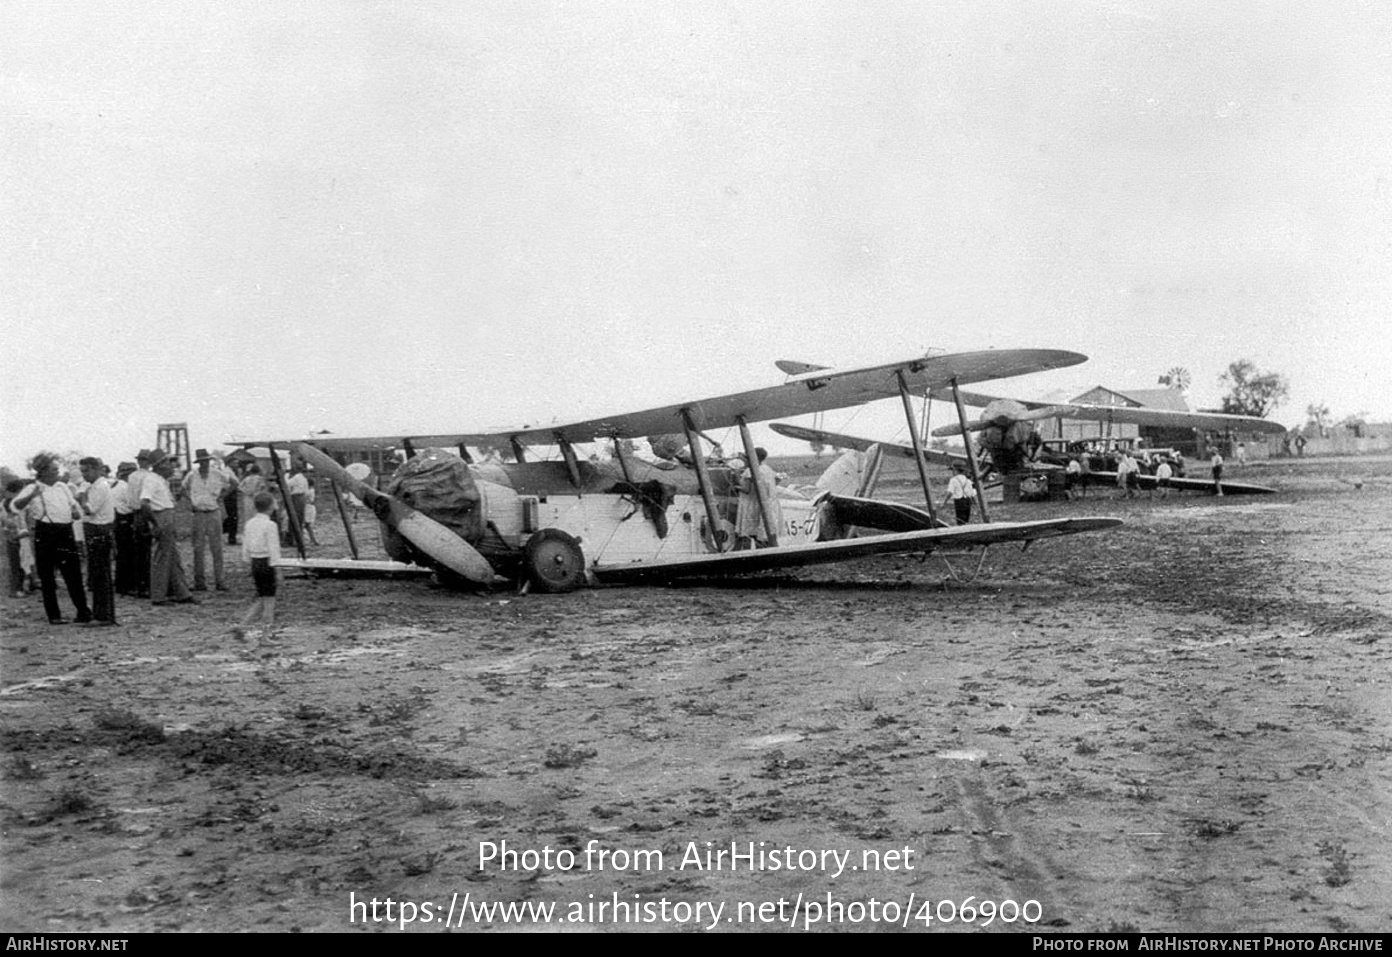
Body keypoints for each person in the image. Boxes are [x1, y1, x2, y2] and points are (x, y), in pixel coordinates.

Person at [10, 452, 92, 624]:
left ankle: (83, 611)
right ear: (43, 471)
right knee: (47, 576)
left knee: (73, 573)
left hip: (65, 531)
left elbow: (74, 507)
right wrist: (31, 496)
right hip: (46, 532)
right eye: (54, 470)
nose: (57, 473)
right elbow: (15, 506)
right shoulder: (32, 488)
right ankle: (54, 615)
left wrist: (76, 511)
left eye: (57, 469)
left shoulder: (62, 487)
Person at [141, 450, 197, 606]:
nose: (171, 466)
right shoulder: (151, 480)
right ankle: (158, 596)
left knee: (173, 557)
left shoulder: (160, 480)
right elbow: (144, 503)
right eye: (167, 463)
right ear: (159, 466)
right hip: (162, 517)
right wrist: (156, 524)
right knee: (162, 558)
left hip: (168, 516)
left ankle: (182, 593)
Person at [76, 457, 117, 625]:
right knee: (96, 572)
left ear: (95, 469)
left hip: (99, 529)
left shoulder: (101, 486)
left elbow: (90, 510)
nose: (84, 475)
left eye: (86, 471)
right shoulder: (92, 485)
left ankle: (104, 615)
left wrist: (82, 499)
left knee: (101, 573)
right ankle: (101, 613)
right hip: (93, 529)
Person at [181, 449, 229, 591]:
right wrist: (191, 501)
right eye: (202, 461)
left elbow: (232, 483)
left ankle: (220, 581)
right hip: (199, 513)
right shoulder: (192, 475)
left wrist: (221, 497)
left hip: (214, 512)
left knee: (217, 548)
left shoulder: (217, 474)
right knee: (198, 548)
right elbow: (183, 489)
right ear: (199, 462)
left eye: (206, 461)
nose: (205, 464)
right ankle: (199, 582)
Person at [236, 492, 281, 639]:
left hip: (255, 562)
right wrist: (278, 569)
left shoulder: (250, 523)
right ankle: (265, 636)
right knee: (270, 602)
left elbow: (246, 546)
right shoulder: (270, 525)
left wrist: (247, 560)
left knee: (263, 598)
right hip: (267, 562)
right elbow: (274, 549)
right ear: (270, 506)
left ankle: (242, 626)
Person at [734, 448, 782, 549]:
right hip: (766, 503)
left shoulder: (750, 471)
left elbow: (746, 489)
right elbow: (776, 480)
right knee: (763, 533)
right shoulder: (767, 469)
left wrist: (735, 483)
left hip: (752, 504)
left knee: (751, 532)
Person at [125, 450, 154, 598]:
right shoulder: (149, 477)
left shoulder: (131, 476)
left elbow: (131, 498)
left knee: (139, 551)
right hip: (146, 512)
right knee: (148, 551)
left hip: (135, 513)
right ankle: (147, 585)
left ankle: (140, 585)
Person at [3, 478, 33, 598]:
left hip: (20, 536)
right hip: (14, 537)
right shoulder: (8, 504)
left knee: (22, 563)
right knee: (16, 564)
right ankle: (15, 590)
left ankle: (20, 587)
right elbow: (8, 523)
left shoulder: (15, 503)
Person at [111, 461, 138, 596]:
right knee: (128, 553)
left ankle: (121, 584)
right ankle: (127, 585)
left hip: (116, 519)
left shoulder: (115, 486)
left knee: (122, 553)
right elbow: (134, 504)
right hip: (125, 519)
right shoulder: (125, 487)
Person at [237, 464, 268, 540]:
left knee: (247, 516)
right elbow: (262, 487)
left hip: (247, 498)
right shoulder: (260, 479)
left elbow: (240, 487)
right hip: (257, 497)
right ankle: (257, 534)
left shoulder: (247, 479)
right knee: (257, 515)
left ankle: (248, 534)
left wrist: (247, 492)